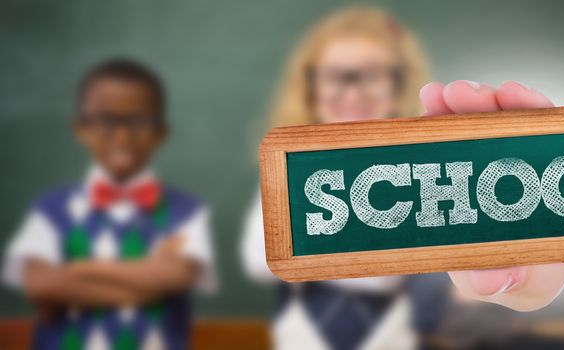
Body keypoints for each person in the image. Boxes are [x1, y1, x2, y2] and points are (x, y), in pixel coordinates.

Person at [242, 7, 450, 350]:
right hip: (303, 333)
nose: (353, 93)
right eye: (336, 76)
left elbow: (428, 264)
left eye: (371, 76)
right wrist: (383, 260)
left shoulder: (420, 169)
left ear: (399, 85)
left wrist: (313, 255)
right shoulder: (287, 164)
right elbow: (260, 258)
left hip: (399, 332)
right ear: (310, 87)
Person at [2, 59, 215, 350]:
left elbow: (175, 275)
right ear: (81, 129)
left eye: (139, 121)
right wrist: (143, 286)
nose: (122, 135)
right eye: (105, 120)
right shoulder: (50, 209)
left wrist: (77, 269)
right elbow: (40, 283)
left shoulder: (186, 211)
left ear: (161, 133)